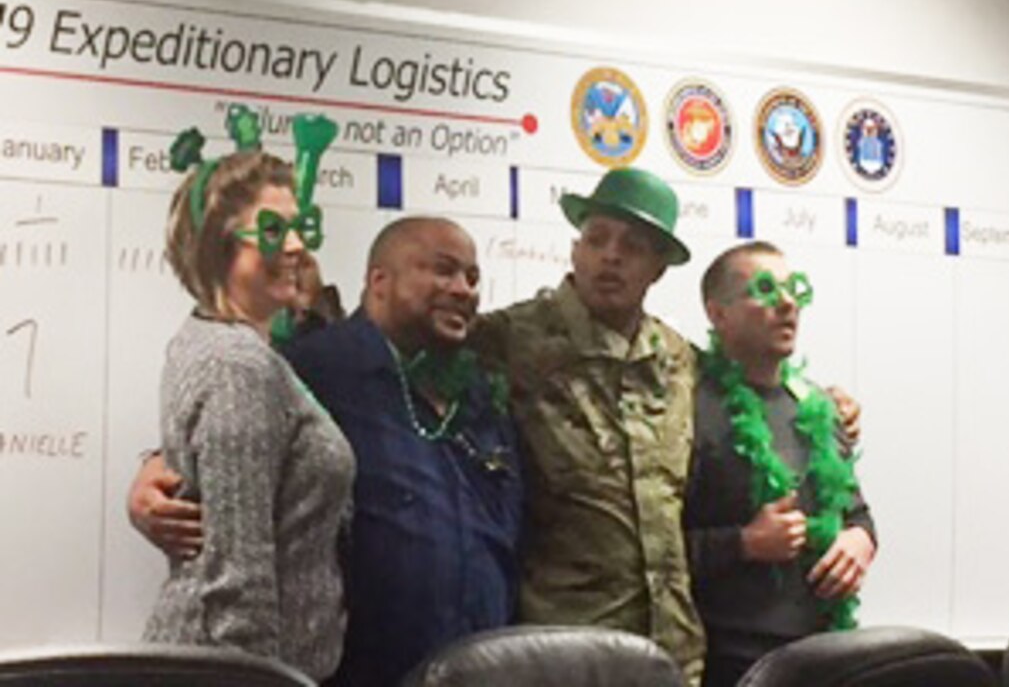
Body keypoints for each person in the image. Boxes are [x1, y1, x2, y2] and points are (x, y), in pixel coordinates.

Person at [132, 215, 522, 687]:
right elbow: (226, 431)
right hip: (358, 671)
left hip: (484, 670)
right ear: (379, 280)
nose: (463, 288)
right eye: (443, 270)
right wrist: (153, 471)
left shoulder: (482, 392)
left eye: (472, 277)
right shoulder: (314, 368)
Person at [471, 167, 706, 684]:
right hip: (565, 655)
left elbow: (750, 393)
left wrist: (827, 404)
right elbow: (405, 359)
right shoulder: (507, 339)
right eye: (596, 238)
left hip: (672, 655)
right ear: (576, 248)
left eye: (633, 246)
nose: (611, 256)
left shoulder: (677, 358)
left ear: (658, 269)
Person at [142, 149, 355, 683]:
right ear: (219, 248)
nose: (296, 246)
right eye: (271, 230)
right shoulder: (237, 364)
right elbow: (238, 580)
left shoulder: (221, 345)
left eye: (298, 227)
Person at [684, 241, 877, 687]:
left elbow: (857, 513)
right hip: (729, 663)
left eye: (794, 291)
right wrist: (745, 543)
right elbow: (657, 553)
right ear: (718, 314)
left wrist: (860, 538)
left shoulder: (818, 407)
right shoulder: (688, 408)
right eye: (765, 289)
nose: (787, 303)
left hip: (826, 655)